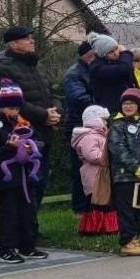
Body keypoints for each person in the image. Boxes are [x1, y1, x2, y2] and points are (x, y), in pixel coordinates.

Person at [0, 26, 61, 207]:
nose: (32, 41)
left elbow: (53, 92)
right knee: (27, 183)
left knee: (41, 180)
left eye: (31, 37)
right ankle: (24, 223)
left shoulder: (37, 66)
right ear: (13, 44)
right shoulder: (2, 69)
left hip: (44, 132)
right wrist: (43, 115)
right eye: (27, 38)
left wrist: (56, 111)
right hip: (22, 134)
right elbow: (11, 103)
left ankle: (32, 222)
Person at [0, 81, 48, 264]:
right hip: (6, 178)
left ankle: (28, 245)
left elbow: (38, 140)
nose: (14, 112)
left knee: (29, 212)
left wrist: (32, 147)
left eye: (17, 108)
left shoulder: (23, 123)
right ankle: (6, 249)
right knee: (9, 214)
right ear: (1, 106)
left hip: (27, 175)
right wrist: (9, 148)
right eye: (10, 108)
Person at [107, 88, 140, 255]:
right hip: (124, 176)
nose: (128, 106)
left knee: (139, 209)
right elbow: (118, 150)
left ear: (139, 105)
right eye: (125, 103)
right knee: (126, 211)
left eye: (132, 103)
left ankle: (136, 238)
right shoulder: (117, 125)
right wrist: (136, 169)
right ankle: (127, 242)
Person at [70, 104, 117, 236]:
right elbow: (93, 155)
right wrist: (108, 155)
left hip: (101, 175)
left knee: (105, 202)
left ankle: (106, 227)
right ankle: (93, 228)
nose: (106, 123)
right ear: (95, 120)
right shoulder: (89, 137)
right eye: (103, 120)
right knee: (95, 203)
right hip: (94, 176)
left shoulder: (100, 135)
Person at [62, 40, 96, 211]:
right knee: (80, 167)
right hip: (79, 125)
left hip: (92, 124)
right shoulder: (74, 74)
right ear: (90, 56)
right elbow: (78, 99)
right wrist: (101, 105)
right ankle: (80, 207)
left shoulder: (91, 71)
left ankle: (95, 204)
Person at [86, 34, 136, 113]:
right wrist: (125, 52)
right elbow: (124, 69)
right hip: (112, 111)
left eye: (116, 49)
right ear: (103, 55)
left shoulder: (116, 62)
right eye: (111, 52)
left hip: (126, 107)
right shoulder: (97, 68)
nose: (116, 53)